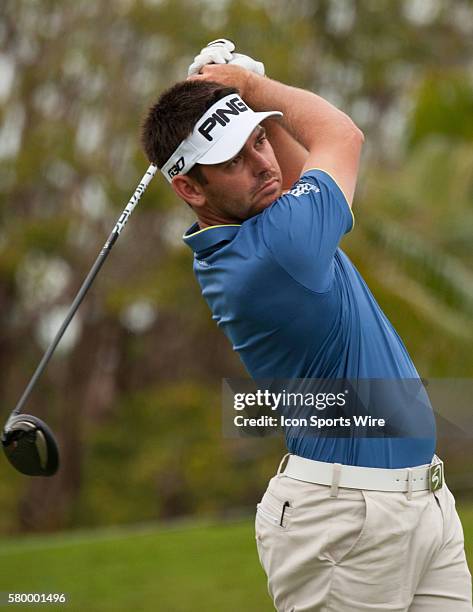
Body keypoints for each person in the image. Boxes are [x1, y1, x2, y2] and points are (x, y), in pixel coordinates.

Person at [141, 40, 472, 611]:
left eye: (260, 140)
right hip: (344, 526)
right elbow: (342, 137)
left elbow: (297, 176)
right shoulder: (280, 249)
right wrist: (252, 87)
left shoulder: (265, 223)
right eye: (233, 160)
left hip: (419, 505)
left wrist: (236, 97)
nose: (262, 164)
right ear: (189, 188)